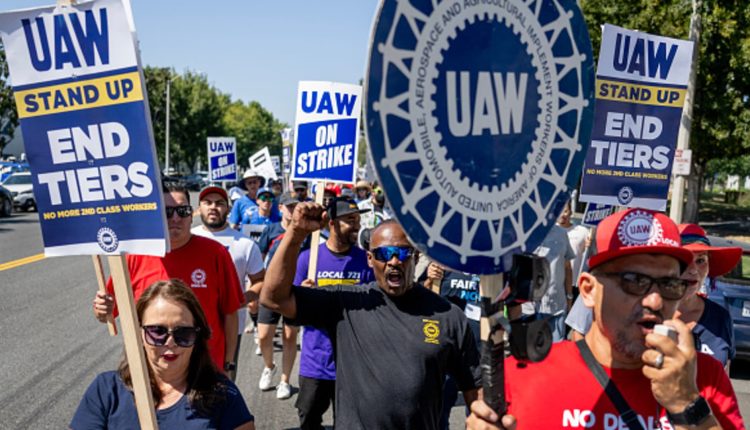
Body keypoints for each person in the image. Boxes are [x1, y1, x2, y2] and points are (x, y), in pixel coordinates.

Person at [466, 208, 744, 429]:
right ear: (588, 290)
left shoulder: (704, 377)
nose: (655, 301)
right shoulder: (520, 376)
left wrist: (687, 405)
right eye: (634, 280)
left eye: (669, 285)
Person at [262, 205, 481, 429]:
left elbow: (474, 386)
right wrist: (295, 234)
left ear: (415, 256)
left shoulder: (448, 315)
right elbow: (274, 298)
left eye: (402, 253)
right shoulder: (346, 303)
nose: (394, 261)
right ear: (369, 258)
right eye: (384, 254)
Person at [93, 182, 244, 372]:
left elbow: (230, 313)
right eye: (167, 212)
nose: (175, 218)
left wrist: (229, 363)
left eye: (182, 211)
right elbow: (107, 312)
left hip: (204, 369)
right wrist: (102, 309)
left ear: (192, 215)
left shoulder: (216, 253)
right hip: (150, 371)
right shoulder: (135, 255)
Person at [74, 279, 255, 429]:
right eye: (157, 331)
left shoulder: (225, 396)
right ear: (139, 334)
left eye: (183, 333)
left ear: (198, 336)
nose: (170, 342)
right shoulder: (105, 390)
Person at [293, 197, 374, 428]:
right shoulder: (308, 259)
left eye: (358, 219)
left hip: (353, 363)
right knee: (308, 420)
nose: (357, 225)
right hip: (315, 362)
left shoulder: (366, 261)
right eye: (350, 220)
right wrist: (303, 296)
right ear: (332, 223)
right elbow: (291, 309)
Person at [191, 186, 266, 380]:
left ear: (228, 209)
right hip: (190, 326)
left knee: (224, 382)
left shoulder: (245, 244)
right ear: (199, 208)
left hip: (229, 328)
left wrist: (243, 299)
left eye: (219, 203)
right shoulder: (187, 238)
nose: (213, 207)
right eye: (208, 203)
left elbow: (260, 280)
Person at [254, 192, 306, 399]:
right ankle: (269, 366)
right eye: (289, 206)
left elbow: (309, 259)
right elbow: (260, 257)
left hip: (295, 290)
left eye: (296, 206)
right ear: (281, 208)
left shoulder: (305, 232)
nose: (293, 210)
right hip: (271, 290)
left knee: (290, 336)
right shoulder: (271, 229)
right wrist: (256, 283)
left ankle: (285, 380)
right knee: (264, 336)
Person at [421, 260, 481, 430]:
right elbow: (422, 301)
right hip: (446, 350)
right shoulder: (442, 260)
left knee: (478, 413)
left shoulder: (488, 263)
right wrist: (429, 280)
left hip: (479, 351)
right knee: (439, 411)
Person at [675, 223, 742, 370]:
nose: (693, 270)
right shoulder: (648, 313)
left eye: (701, 261)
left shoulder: (720, 317)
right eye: (685, 259)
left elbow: (724, 376)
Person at [528, 224, 575, 342]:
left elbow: (567, 267)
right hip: (529, 310)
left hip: (557, 308)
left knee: (557, 351)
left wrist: (569, 298)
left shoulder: (561, 234)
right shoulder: (524, 233)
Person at [557, 200, 590, 283]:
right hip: (554, 283)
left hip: (574, 282)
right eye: (559, 211)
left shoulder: (582, 231)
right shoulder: (549, 233)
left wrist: (591, 245)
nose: (562, 214)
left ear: (570, 212)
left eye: (565, 211)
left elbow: (591, 252)